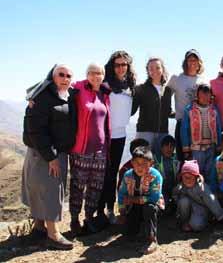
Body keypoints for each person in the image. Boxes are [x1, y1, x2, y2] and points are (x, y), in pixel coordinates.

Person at [22, 64, 76, 250]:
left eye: (69, 75)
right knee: (50, 191)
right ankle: (53, 234)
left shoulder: (67, 95)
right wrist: (51, 156)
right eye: (61, 74)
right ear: (52, 76)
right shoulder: (43, 97)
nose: (65, 78)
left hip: (53, 151)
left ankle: (39, 229)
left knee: (41, 189)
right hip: (45, 153)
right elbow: (36, 130)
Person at [69, 63, 111, 235]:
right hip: (82, 148)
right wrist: (34, 98)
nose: (95, 76)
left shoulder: (105, 93)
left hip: (101, 149)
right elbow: (57, 84)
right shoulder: (78, 87)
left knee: (95, 186)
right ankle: (74, 220)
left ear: (103, 75)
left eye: (99, 73)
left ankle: (89, 218)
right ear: (86, 75)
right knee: (78, 185)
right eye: (91, 73)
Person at [98, 50, 136, 224]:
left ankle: (109, 210)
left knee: (112, 174)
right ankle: (98, 212)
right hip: (104, 135)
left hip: (120, 135)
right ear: (111, 67)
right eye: (117, 65)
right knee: (101, 174)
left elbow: (131, 108)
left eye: (124, 64)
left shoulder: (130, 85)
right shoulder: (105, 85)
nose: (120, 68)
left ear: (128, 66)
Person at [118, 146, 163, 254]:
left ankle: (152, 240)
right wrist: (122, 212)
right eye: (137, 163)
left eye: (144, 163)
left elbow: (154, 197)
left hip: (152, 205)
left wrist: (133, 199)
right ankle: (137, 229)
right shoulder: (127, 175)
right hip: (134, 206)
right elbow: (121, 194)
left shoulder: (156, 176)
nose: (140, 166)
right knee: (130, 233)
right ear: (132, 162)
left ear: (151, 163)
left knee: (149, 208)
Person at [167, 49, 206, 161]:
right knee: (182, 156)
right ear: (185, 62)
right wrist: (169, 112)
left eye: (195, 60)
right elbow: (166, 96)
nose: (192, 62)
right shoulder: (176, 79)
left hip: (200, 123)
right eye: (190, 60)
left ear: (199, 63)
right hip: (182, 123)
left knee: (198, 157)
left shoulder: (203, 80)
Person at [181, 83, 222, 181]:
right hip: (196, 148)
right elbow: (184, 129)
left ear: (210, 95)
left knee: (210, 172)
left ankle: (208, 193)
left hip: (211, 146)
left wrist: (219, 144)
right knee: (197, 172)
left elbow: (218, 127)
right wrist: (186, 149)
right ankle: (197, 193)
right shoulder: (189, 110)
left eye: (207, 95)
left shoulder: (214, 109)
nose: (204, 97)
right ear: (197, 95)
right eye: (202, 95)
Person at [132, 57, 173, 154]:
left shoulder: (167, 90)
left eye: (158, 67)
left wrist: (182, 114)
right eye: (151, 68)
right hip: (145, 132)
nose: (154, 71)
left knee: (160, 163)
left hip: (163, 133)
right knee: (143, 162)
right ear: (148, 71)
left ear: (162, 69)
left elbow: (168, 111)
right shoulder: (140, 89)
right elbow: (131, 110)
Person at [173, 160, 223, 232]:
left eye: (190, 177)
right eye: (185, 177)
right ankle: (184, 222)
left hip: (201, 209)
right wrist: (177, 202)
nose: (188, 180)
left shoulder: (202, 189)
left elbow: (212, 201)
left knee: (196, 226)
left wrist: (220, 217)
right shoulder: (181, 186)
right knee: (183, 201)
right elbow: (175, 194)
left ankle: (205, 221)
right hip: (188, 207)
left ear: (196, 177)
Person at [154, 135, 180, 214]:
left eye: (171, 146)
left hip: (174, 186)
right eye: (166, 146)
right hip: (161, 188)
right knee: (165, 207)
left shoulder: (176, 159)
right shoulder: (155, 160)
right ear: (161, 147)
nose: (169, 149)